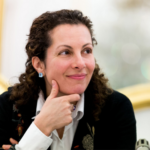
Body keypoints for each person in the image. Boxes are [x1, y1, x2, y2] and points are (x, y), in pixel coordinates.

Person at [0, 9, 136, 150]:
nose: (80, 63)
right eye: (65, 52)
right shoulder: (7, 107)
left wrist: (22, 147)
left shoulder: (116, 109)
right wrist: (40, 128)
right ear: (39, 65)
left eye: (86, 51)